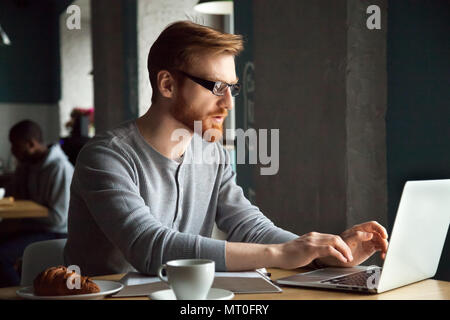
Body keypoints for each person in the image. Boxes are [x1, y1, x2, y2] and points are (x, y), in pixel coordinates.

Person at [64, 21, 389, 277]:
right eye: (217, 87)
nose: (228, 103)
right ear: (167, 84)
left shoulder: (213, 154)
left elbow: (250, 227)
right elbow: (149, 249)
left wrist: (323, 255)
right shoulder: (106, 157)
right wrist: (282, 254)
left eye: (232, 88)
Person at [0, 120, 74, 287]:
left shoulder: (60, 168)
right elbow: (13, 195)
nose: (12, 150)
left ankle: (17, 295)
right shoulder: (27, 165)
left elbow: (58, 219)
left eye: (15, 145)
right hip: (34, 227)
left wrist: (21, 225)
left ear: (31, 144)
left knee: (1, 256)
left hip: (57, 233)